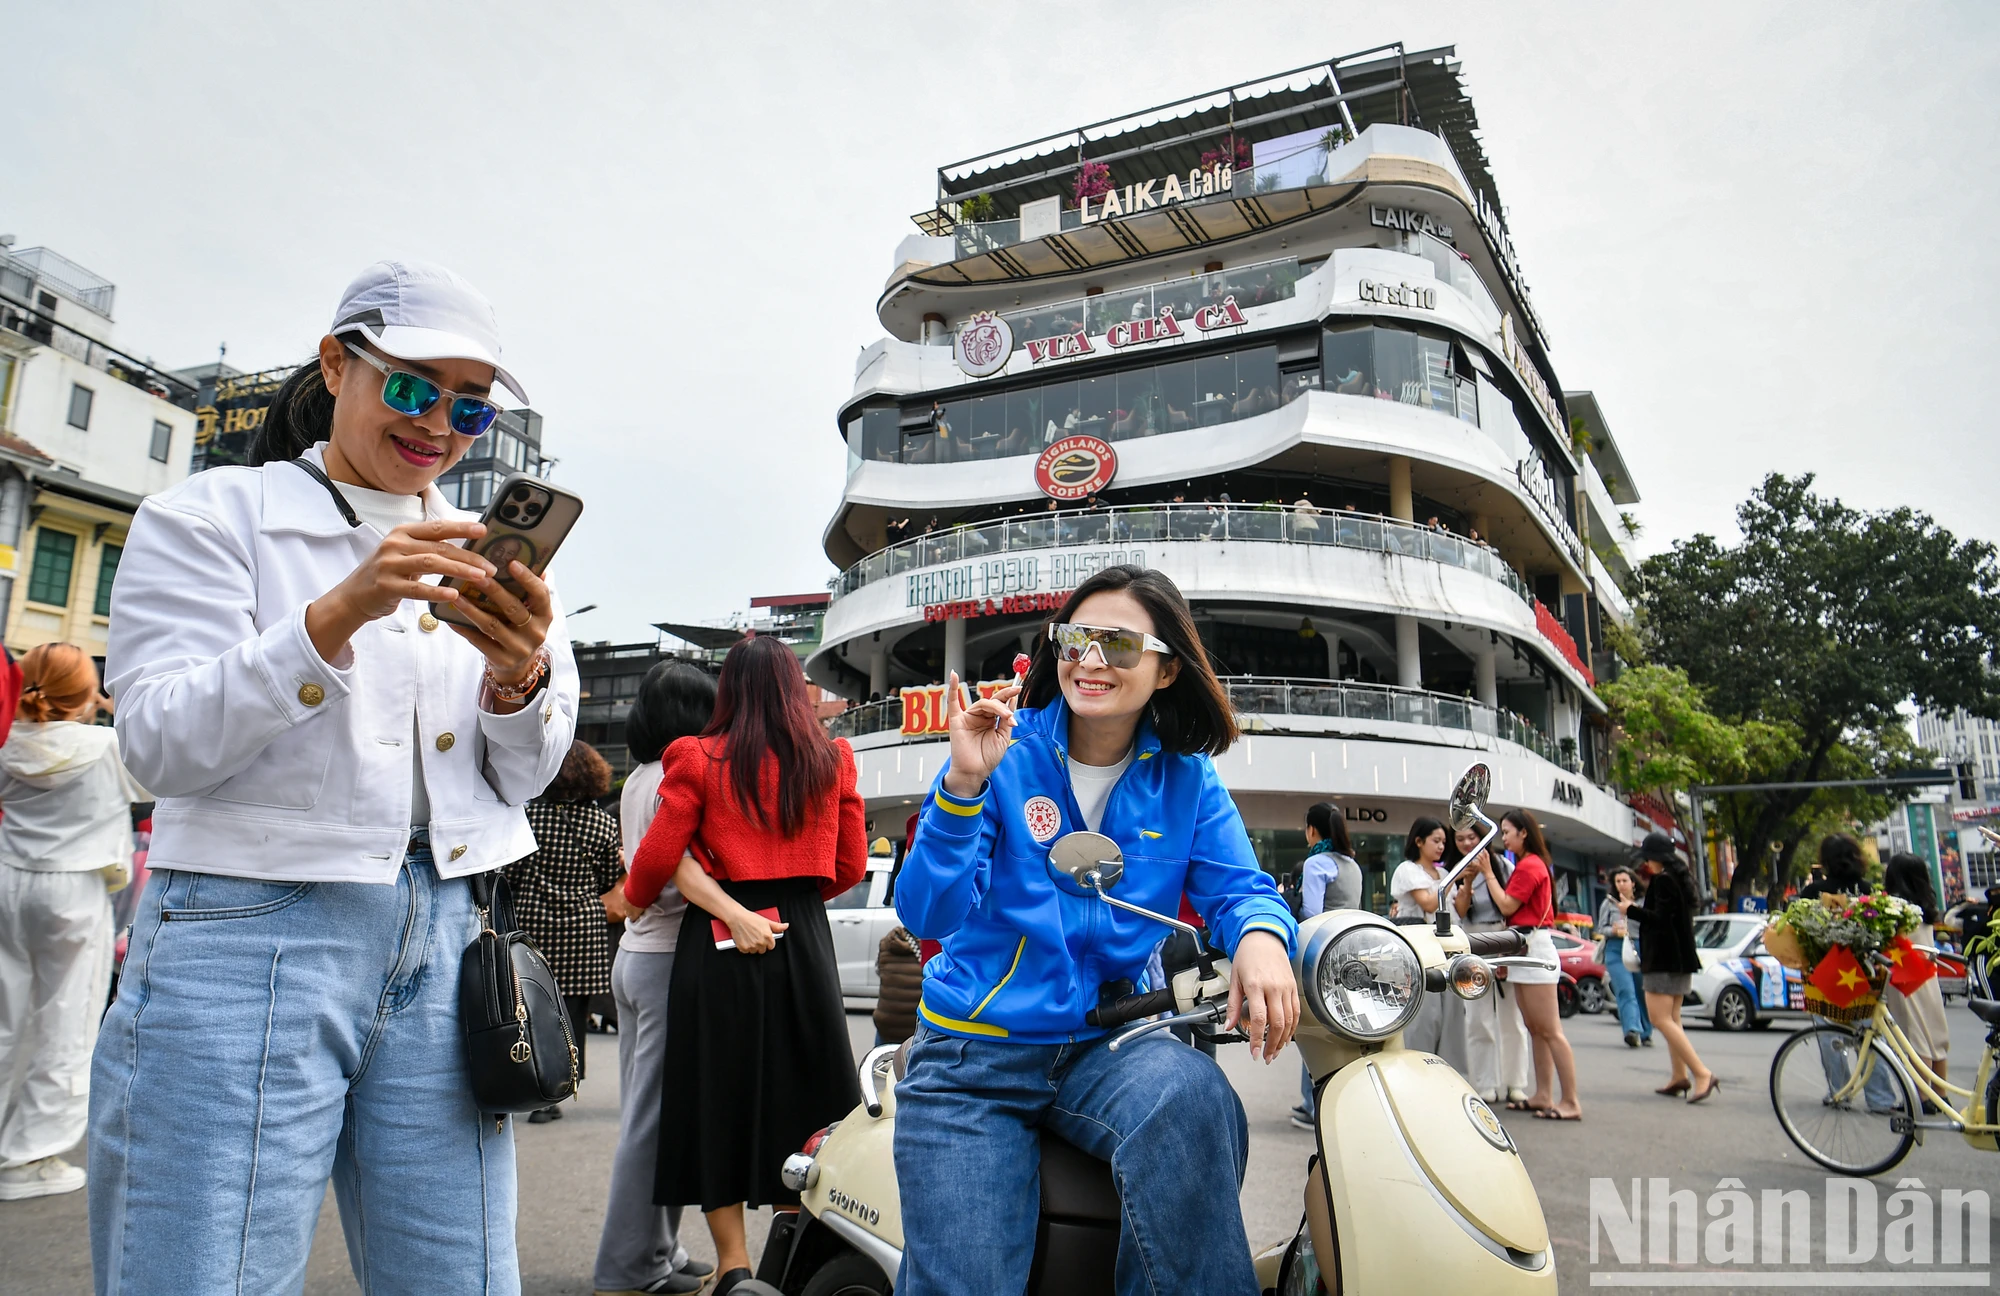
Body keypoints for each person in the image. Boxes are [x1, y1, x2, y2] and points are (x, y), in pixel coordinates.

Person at [90, 259, 578, 1291]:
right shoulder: (211, 517)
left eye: (470, 409)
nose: (436, 424)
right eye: (410, 386)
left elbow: (524, 775)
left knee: (461, 1274)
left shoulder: (492, 561)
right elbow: (155, 745)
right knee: (202, 1268)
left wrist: (516, 677)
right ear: (334, 363)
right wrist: (335, 616)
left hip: (444, 927)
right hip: (244, 925)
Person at [893, 564, 1298, 1296]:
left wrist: (1263, 939)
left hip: (1106, 1044)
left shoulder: (1188, 778)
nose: (1090, 659)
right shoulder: (1002, 751)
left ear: (1167, 668)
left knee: (1196, 1096)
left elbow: (1240, 889)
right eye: (1077, 639)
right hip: (970, 1060)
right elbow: (927, 914)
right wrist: (960, 788)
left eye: (1117, 644)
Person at [622, 635, 866, 1296]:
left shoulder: (694, 757)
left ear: (726, 692)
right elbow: (848, 865)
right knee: (810, 1097)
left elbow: (655, 859)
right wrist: (797, 896)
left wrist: (635, 901)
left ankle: (732, 1267)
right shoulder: (833, 757)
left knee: (714, 1096)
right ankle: (783, 1259)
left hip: (716, 939)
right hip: (802, 936)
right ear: (797, 690)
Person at [0, 645, 144, 1201]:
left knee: (5, 1015)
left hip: (10, 874)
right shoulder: (106, 747)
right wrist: (107, 708)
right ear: (86, 695)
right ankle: (29, 1157)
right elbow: (157, 780)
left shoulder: (7, 741)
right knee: (69, 1021)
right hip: (76, 886)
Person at [593, 661, 717, 1296]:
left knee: (652, 1118)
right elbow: (678, 874)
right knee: (655, 1122)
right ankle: (628, 1268)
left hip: (638, 957)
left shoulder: (639, 778)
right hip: (667, 956)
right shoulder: (678, 776)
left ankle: (659, 1251)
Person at [502, 738, 623, 1124]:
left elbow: (512, 875)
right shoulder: (602, 822)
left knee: (531, 1008)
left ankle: (532, 1083)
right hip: (584, 930)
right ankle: (559, 1086)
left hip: (536, 925)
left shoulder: (529, 817)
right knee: (571, 1013)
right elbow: (607, 880)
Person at [1469, 809, 1582, 1120]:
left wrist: (1488, 873)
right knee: (1535, 1029)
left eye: (1507, 832)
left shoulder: (1530, 866)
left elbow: (1506, 905)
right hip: (1525, 948)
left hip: (1534, 950)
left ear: (1524, 833)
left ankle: (1570, 1100)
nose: (1504, 838)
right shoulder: (1530, 864)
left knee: (1549, 1030)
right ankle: (1544, 1094)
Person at [1616, 834, 1716, 1103]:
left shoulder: (1663, 881)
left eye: (1647, 859)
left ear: (1655, 859)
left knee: (1661, 1019)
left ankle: (1701, 1073)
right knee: (1673, 1020)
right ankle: (1679, 1076)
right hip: (1680, 959)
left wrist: (1631, 910)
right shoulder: (1679, 879)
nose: (1646, 864)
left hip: (1662, 960)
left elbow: (1659, 920)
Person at [1443, 823, 1534, 1105]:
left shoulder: (1504, 866)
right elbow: (1459, 910)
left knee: (1511, 1017)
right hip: (1472, 938)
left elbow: (1511, 905)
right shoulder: (1455, 869)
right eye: (1460, 839)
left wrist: (1487, 872)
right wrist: (1468, 881)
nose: (1467, 843)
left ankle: (1516, 1083)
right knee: (1477, 1016)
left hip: (1503, 935)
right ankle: (1484, 1082)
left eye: (1472, 837)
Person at [1290, 801, 1359, 1127]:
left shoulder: (1316, 863)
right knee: (1344, 1028)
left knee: (1315, 1030)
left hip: (1320, 958)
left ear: (1312, 829)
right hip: (1350, 952)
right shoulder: (1352, 865)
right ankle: (1345, 1102)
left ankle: (1313, 1105)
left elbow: (1312, 915)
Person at [1883, 851, 1950, 1086]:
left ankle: (1920, 1096)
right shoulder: (1927, 906)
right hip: (1927, 974)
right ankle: (1940, 1093)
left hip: (1905, 977)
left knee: (1914, 1035)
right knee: (1935, 1034)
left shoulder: (1893, 907)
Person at [1597, 868, 1653, 1048]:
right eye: (1617, 881)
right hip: (1615, 949)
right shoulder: (1609, 903)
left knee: (1641, 990)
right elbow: (1600, 928)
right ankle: (1632, 1030)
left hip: (1638, 946)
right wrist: (1612, 930)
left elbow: (1650, 924)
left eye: (1624, 880)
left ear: (1633, 883)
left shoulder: (1643, 902)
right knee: (1625, 989)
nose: (1621, 884)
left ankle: (1646, 1031)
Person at [874, 922, 924, 1047]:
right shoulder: (934, 947)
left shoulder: (887, 942)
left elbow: (879, 970)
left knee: (882, 1062)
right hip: (915, 1028)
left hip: (886, 1023)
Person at [1390, 818, 1447, 925]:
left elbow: (1460, 912)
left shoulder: (1443, 873)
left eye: (1443, 842)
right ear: (1419, 841)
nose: (1441, 847)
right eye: (1436, 841)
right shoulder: (1408, 869)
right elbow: (1429, 905)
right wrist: (1453, 878)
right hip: (1417, 934)